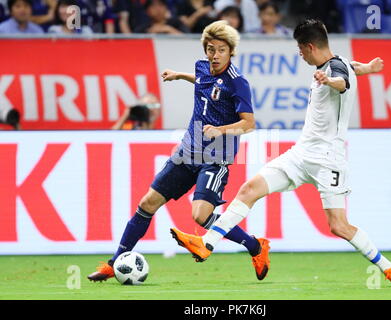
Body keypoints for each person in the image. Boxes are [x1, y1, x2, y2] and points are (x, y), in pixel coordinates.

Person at [170, 19, 391, 287]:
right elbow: (351, 68)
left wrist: (329, 81)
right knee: (249, 189)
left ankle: (390, 269)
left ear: (309, 46)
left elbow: (342, 81)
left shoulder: (333, 70)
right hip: (300, 155)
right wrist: (367, 68)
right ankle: (207, 244)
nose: (299, 53)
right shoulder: (338, 61)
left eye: (300, 48)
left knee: (339, 226)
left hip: (328, 161)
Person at [88, 20, 271, 282]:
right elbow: (205, 83)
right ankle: (114, 262)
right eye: (210, 49)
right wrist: (181, 75)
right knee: (147, 203)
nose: (215, 55)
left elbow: (249, 124)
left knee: (200, 215)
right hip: (187, 152)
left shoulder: (238, 82)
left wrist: (220, 131)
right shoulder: (202, 68)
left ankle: (255, 246)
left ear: (231, 51)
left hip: (215, 159)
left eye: (221, 50)